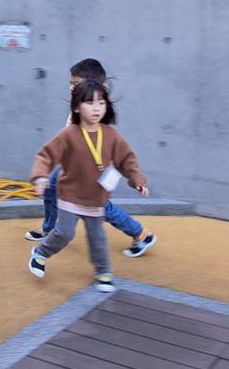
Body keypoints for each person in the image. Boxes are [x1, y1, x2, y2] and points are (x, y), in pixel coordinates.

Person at [25, 58, 157, 258]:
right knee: (51, 189)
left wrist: (134, 178)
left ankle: (140, 234)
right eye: (71, 83)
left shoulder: (95, 110)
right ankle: (49, 229)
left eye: (75, 83)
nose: (71, 87)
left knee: (100, 206)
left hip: (93, 168)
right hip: (75, 164)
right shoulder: (81, 104)